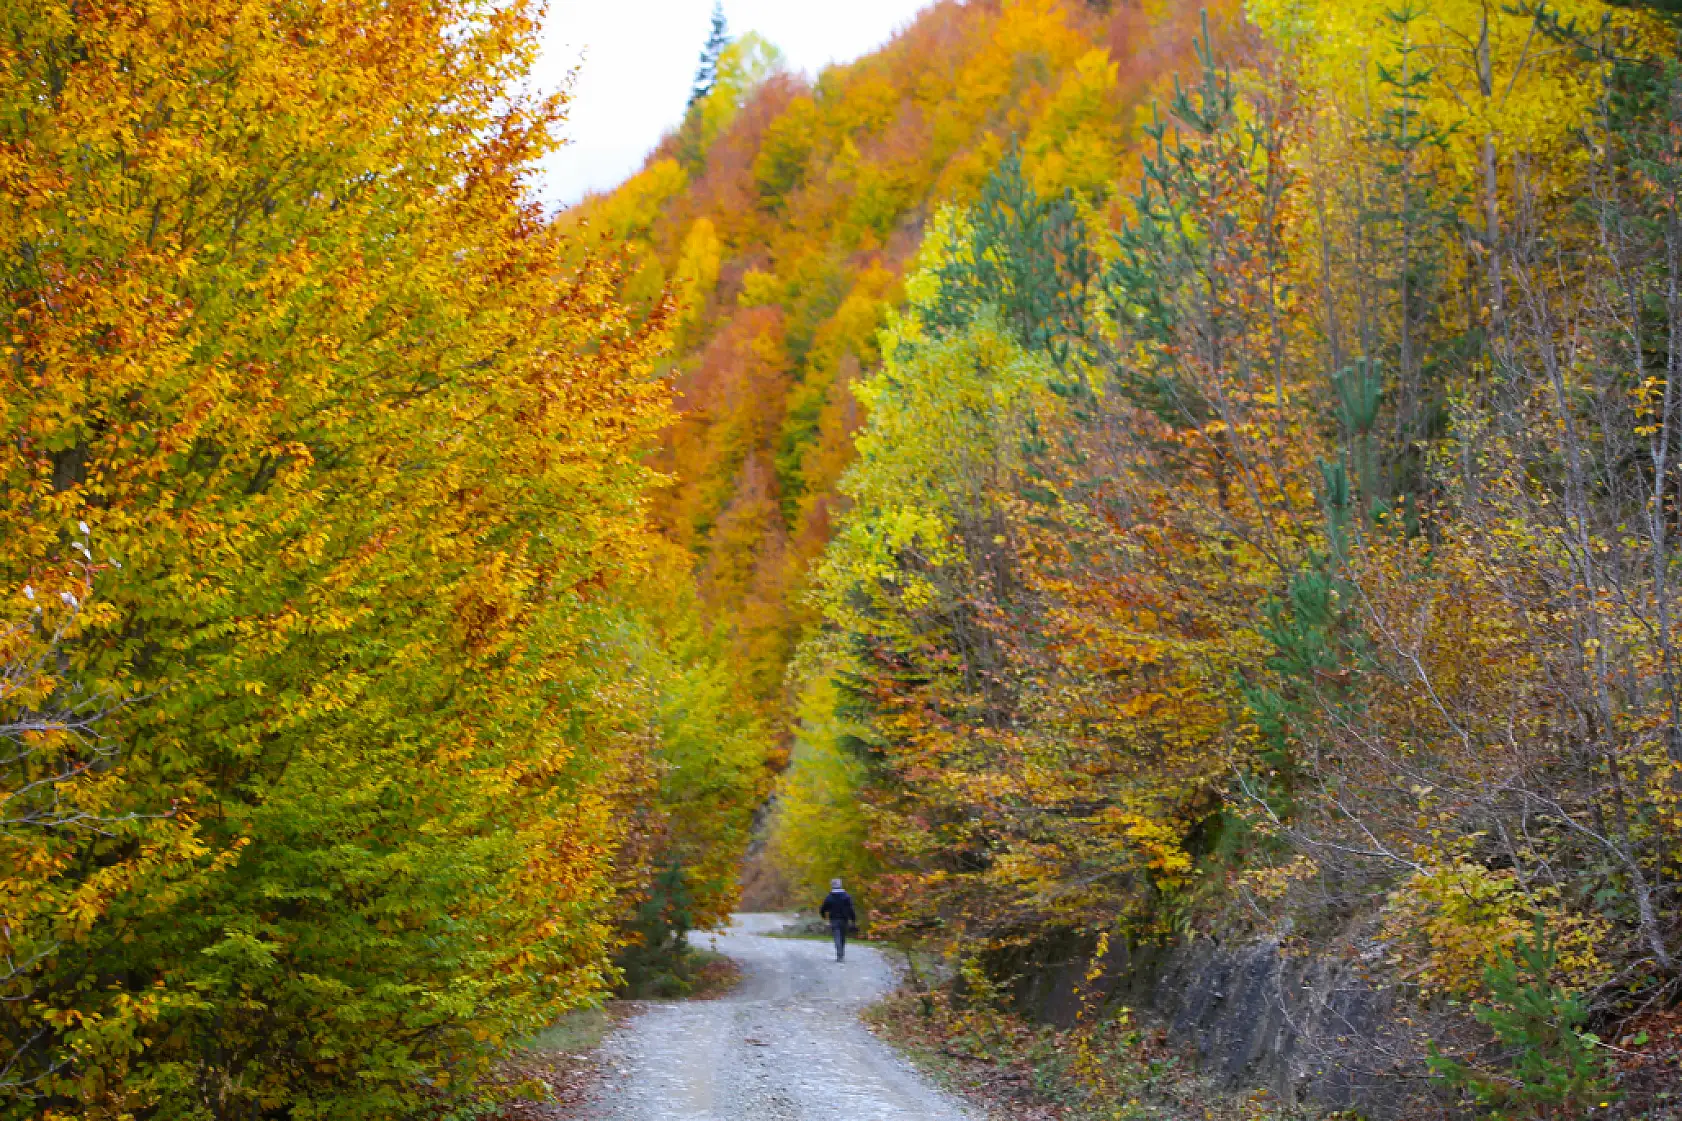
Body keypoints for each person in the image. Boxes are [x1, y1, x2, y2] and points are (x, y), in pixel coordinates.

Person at [817, 878, 856, 962]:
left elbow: (823, 908)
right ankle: (841, 953)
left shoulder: (829, 897)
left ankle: (839, 954)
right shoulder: (846, 896)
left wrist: (823, 915)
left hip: (834, 919)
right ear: (840, 885)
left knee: (837, 936)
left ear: (832, 885)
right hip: (844, 919)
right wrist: (853, 919)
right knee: (842, 936)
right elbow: (851, 909)